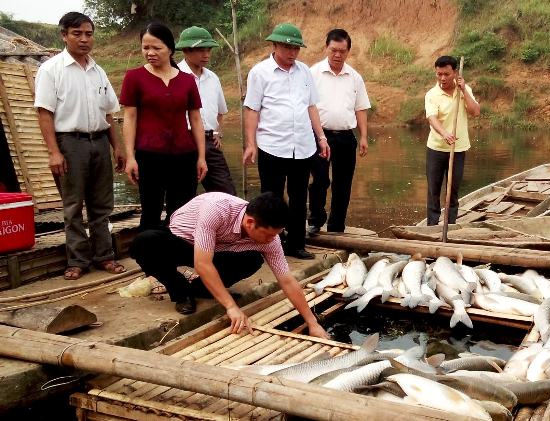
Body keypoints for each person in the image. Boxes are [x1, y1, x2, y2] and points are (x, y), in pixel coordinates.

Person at [130, 191, 329, 338]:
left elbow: (287, 280)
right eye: (267, 234)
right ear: (250, 223)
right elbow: (202, 263)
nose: (271, 240)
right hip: (181, 241)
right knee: (145, 242)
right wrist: (231, 307)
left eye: (274, 235)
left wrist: (312, 323)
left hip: (219, 251)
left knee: (252, 258)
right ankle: (181, 291)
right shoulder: (217, 210)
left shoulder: (270, 239)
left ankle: (200, 289)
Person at [34, 12, 126, 280]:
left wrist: (117, 146)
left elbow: (109, 113)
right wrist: (54, 152)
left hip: (99, 140)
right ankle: (77, 260)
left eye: (88, 33)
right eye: (77, 34)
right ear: (64, 35)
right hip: (69, 142)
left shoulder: (98, 71)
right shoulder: (51, 70)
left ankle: (104, 256)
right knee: (73, 205)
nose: (84, 39)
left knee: (102, 204)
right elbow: (44, 113)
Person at [243, 23, 330, 260]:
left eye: (296, 49)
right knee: (271, 198)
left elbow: (311, 106)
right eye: (287, 48)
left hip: (302, 145)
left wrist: (321, 137)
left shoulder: (304, 72)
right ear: (275, 45)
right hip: (272, 143)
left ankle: (296, 244)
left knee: (299, 196)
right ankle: (268, 243)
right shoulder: (260, 73)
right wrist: (250, 143)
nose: (292, 53)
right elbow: (252, 109)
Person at [120, 23, 207, 230]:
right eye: (145, 47)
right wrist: (130, 157)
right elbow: (130, 118)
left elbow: (195, 119)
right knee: (151, 210)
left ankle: (175, 256)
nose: (149, 53)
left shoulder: (186, 80)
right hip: (149, 155)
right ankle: (150, 259)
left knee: (182, 211)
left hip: (184, 155)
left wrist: (201, 156)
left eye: (156, 48)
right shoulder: (134, 77)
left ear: (170, 48)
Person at [307, 28, 370, 235]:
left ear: (348, 51)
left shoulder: (354, 77)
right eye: (333, 50)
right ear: (326, 48)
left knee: (343, 184)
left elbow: (360, 108)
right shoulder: (313, 73)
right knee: (320, 180)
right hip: (319, 136)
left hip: (346, 137)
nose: (337, 55)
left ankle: (336, 227)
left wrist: (363, 137)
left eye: (342, 51)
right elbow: (306, 105)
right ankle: (315, 219)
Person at [176, 26, 236, 195]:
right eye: (201, 50)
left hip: (210, 141)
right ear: (186, 51)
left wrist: (218, 132)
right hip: (184, 142)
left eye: (208, 50)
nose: (206, 55)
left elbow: (220, 111)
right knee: (183, 194)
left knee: (227, 194)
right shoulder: (175, 75)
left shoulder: (213, 77)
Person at [424, 55, 480, 225]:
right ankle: (432, 226)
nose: (442, 78)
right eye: (439, 74)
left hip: (458, 148)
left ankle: (450, 225)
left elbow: (475, 111)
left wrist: (463, 92)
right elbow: (432, 119)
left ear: (455, 73)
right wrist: (444, 134)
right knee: (434, 190)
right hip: (436, 148)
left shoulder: (464, 90)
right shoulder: (432, 94)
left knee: (452, 190)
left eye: (446, 74)